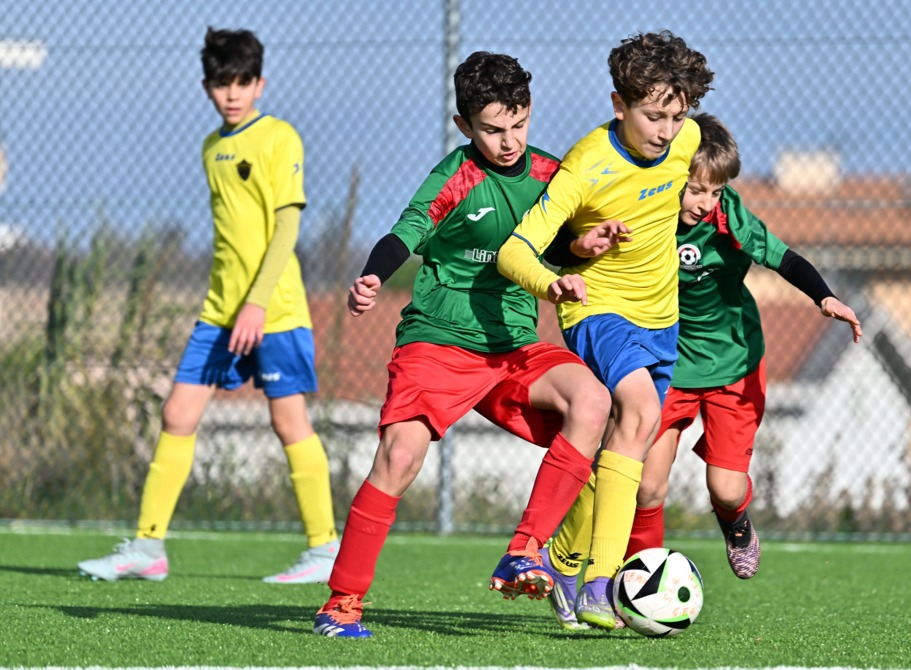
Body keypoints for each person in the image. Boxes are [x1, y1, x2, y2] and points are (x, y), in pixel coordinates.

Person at [310, 51, 611, 639]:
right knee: (399, 457)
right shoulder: (456, 176)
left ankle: (526, 553)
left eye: (519, 124)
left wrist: (585, 245)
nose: (509, 141)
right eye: (493, 129)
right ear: (464, 126)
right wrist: (373, 275)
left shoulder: (551, 174)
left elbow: (561, 242)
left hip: (515, 347)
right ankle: (341, 603)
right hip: (439, 342)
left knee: (594, 403)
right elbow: (406, 230)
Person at [541, 113, 862, 628]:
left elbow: (784, 258)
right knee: (646, 486)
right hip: (668, 358)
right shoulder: (645, 209)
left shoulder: (729, 216)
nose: (704, 202)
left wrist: (823, 297)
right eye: (695, 190)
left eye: (714, 191)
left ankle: (735, 524)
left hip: (733, 362)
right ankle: (633, 588)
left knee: (727, 489)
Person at [77, 27, 340, 585]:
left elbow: (285, 227)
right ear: (207, 87)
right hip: (220, 311)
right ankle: (148, 548)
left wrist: (257, 304)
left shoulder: (280, 138)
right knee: (177, 414)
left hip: (275, 310)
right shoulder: (210, 147)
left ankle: (324, 550)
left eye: (242, 82)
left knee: (288, 420)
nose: (232, 93)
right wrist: (234, 304)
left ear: (260, 83)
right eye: (222, 84)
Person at [495, 30, 714, 630]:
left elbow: (694, 184)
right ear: (619, 104)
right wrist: (553, 282)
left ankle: (562, 561)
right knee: (639, 413)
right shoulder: (586, 164)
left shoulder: (689, 139)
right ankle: (602, 583)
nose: (667, 131)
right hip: (597, 310)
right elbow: (515, 251)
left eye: (677, 115)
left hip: (662, 319)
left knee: (627, 442)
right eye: (653, 116)